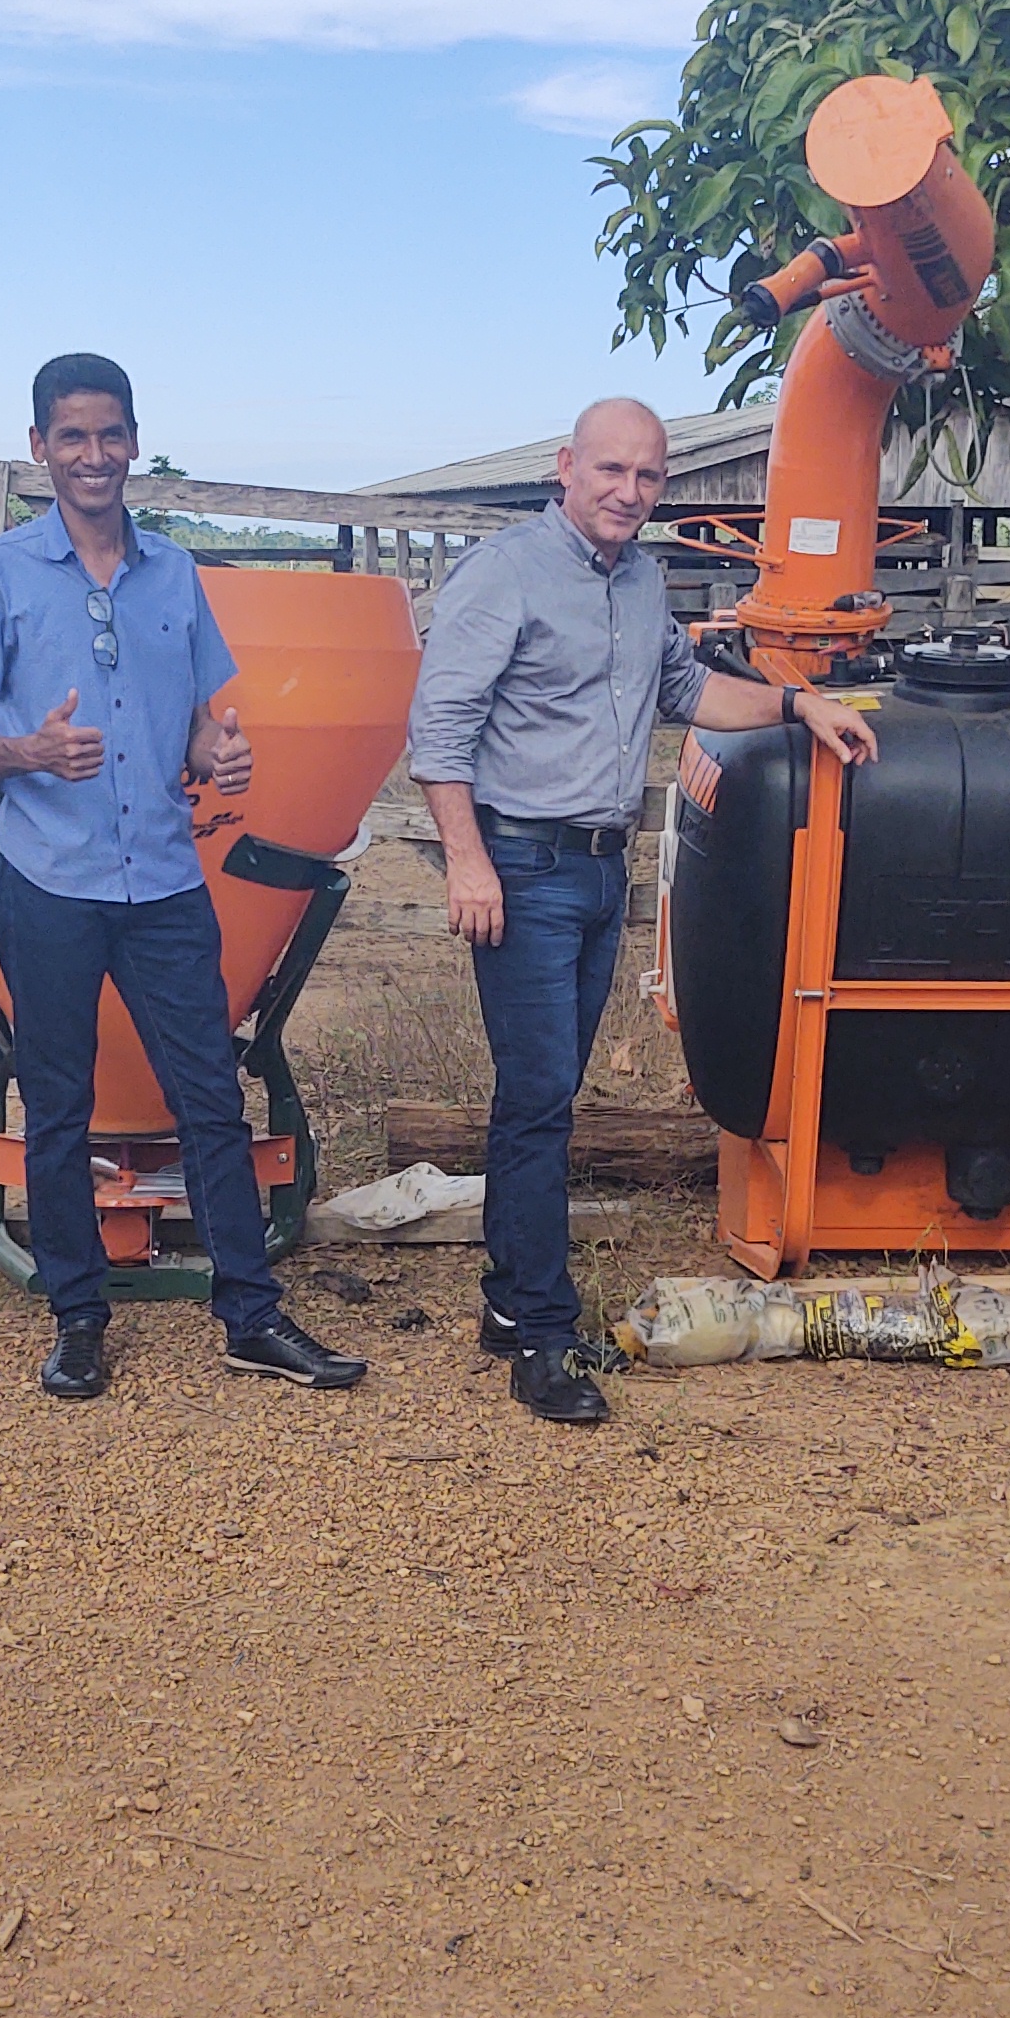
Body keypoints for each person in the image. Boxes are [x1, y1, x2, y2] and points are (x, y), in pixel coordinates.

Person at [411, 398, 880, 1424]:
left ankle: (507, 1300)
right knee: (537, 1096)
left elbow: (688, 689)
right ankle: (540, 1332)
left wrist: (800, 705)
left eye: (647, 477)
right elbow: (440, 731)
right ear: (565, 468)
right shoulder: (504, 574)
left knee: (546, 1093)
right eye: (610, 471)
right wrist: (467, 864)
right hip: (522, 868)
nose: (628, 492)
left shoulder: (636, 577)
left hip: (594, 869)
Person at [0, 353, 367, 1403]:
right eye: (71, 436)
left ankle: (250, 1315)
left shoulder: (173, 574)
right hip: (47, 883)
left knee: (211, 1098)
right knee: (60, 1107)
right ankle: (77, 1318)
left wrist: (221, 752)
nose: (93, 455)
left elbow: (206, 724)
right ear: (40, 448)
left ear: (133, 442)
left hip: (165, 882)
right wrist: (31, 752)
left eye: (110, 434)